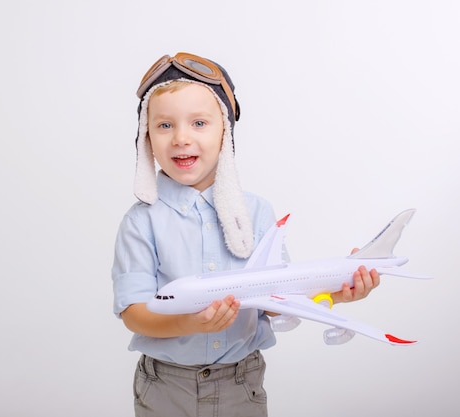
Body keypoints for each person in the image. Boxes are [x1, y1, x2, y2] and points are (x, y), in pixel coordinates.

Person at [111, 52, 380, 417]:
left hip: (241, 383)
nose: (181, 138)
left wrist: (335, 295)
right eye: (164, 126)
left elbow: (275, 296)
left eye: (199, 122)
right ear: (146, 138)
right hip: (165, 387)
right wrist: (187, 322)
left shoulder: (256, 212)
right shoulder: (141, 222)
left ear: (225, 130)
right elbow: (134, 313)